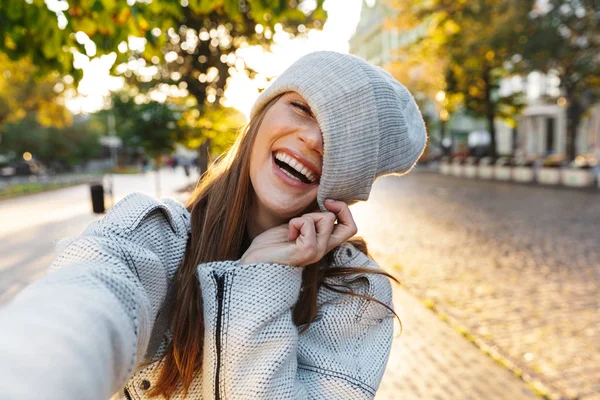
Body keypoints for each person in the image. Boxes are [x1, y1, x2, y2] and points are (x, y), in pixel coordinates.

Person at [0, 51, 426, 399]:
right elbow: (84, 304)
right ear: (261, 116)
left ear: (355, 178)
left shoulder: (353, 297)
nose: (313, 139)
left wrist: (263, 280)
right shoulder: (155, 234)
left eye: (343, 139)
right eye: (300, 108)